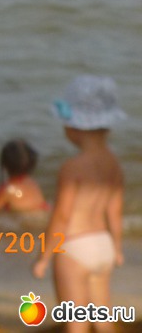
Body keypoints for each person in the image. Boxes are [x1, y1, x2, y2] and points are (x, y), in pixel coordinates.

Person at [32, 76, 126, 331]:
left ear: (74, 128)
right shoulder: (114, 164)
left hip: (74, 247)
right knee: (104, 320)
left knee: (76, 322)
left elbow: (62, 215)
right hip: (104, 245)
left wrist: (44, 257)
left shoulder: (72, 167)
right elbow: (114, 210)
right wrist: (117, 248)